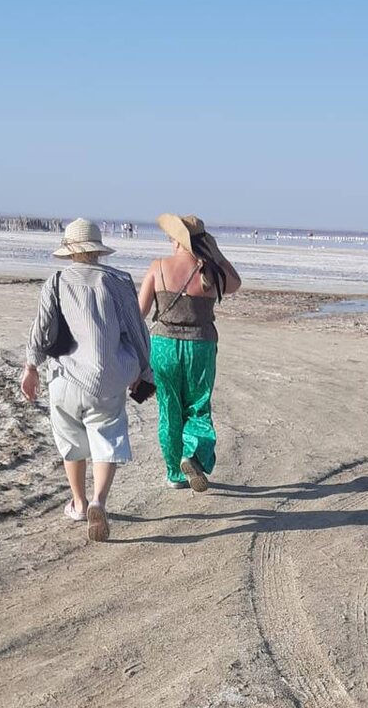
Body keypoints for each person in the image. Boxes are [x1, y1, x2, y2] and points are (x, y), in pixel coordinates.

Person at [21, 218, 153, 542]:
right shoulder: (118, 282)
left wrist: (31, 367)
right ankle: (98, 502)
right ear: (98, 250)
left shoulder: (55, 282)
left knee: (71, 442)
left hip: (65, 377)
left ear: (69, 251)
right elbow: (136, 330)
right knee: (107, 437)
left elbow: (41, 329)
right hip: (107, 378)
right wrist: (144, 370)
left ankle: (79, 504)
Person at [137, 214, 241, 491]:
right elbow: (236, 283)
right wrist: (216, 253)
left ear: (177, 240)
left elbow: (139, 312)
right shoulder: (210, 271)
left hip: (164, 345)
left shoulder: (158, 267)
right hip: (200, 345)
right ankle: (191, 454)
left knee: (169, 408)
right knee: (198, 405)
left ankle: (174, 473)